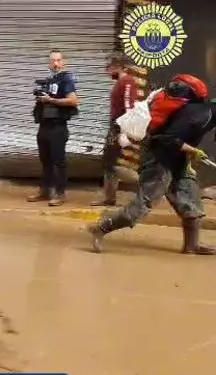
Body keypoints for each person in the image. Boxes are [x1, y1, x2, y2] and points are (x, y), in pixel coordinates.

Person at [86, 77, 216, 255]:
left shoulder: (205, 113)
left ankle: (191, 245)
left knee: (191, 202)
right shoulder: (200, 115)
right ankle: (100, 228)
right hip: (159, 159)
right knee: (144, 203)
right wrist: (194, 151)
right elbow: (167, 139)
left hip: (178, 160)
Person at [28, 49, 80, 207]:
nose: (55, 63)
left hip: (58, 126)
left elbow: (73, 101)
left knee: (58, 161)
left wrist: (51, 100)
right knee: (45, 160)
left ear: (64, 62)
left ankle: (60, 193)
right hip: (44, 125)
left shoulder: (67, 79)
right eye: (52, 61)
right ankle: (45, 189)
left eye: (58, 60)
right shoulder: (50, 80)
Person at [92, 55, 137, 206]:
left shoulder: (127, 81)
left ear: (119, 67)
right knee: (109, 162)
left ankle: (140, 184)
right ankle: (109, 196)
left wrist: (124, 131)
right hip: (116, 125)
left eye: (110, 68)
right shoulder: (122, 82)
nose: (108, 72)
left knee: (110, 162)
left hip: (119, 126)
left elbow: (129, 106)